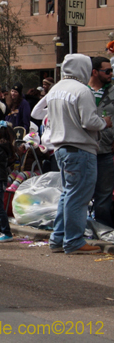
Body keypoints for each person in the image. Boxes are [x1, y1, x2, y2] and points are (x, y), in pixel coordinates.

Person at [48, 54, 111, 255]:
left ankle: (58, 238)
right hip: (81, 149)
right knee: (78, 197)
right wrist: (105, 123)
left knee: (68, 195)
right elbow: (89, 122)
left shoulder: (55, 89)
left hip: (60, 148)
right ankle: (74, 241)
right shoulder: (82, 90)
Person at [88, 56, 114, 228]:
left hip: (107, 151)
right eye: (107, 71)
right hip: (85, 150)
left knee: (104, 195)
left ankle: (103, 229)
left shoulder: (113, 90)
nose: (111, 74)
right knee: (82, 193)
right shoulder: (82, 91)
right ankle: (85, 228)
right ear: (95, 72)